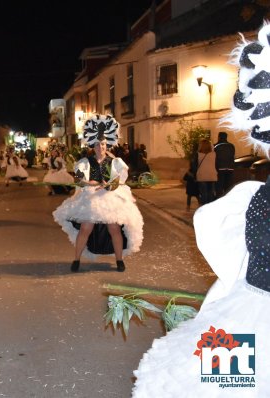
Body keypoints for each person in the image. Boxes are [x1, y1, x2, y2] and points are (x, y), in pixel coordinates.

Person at [133, 23, 270, 396]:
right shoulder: (251, 198)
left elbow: (227, 252)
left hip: (244, 310)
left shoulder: (250, 197)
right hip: (248, 311)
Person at [53, 114, 143, 272]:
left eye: (102, 144)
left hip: (110, 200)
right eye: (96, 145)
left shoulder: (115, 162)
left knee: (114, 229)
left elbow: (121, 179)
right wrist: (89, 182)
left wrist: (109, 185)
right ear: (92, 146)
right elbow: (79, 179)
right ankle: (76, 259)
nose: (100, 147)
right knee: (85, 229)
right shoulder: (86, 162)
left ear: (106, 145)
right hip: (92, 199)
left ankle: (119, 260)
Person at [214, 131, 235, 198]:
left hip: (220, 168)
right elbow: (232, 156)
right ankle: (227, 199)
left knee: (219, 185)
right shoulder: (231, 146)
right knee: (228, 185)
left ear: (219, 137)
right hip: (230, 168)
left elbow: (214, 157)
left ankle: (219, 199)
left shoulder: (215, 146)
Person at [196, 138, 217, 205]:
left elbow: (194, 166)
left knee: (203, 194)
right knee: (210, 194)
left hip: (202, 176)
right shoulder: (214, 154)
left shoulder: (198, 154)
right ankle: (209, 208)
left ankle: (203, 208)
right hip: (212, 176)